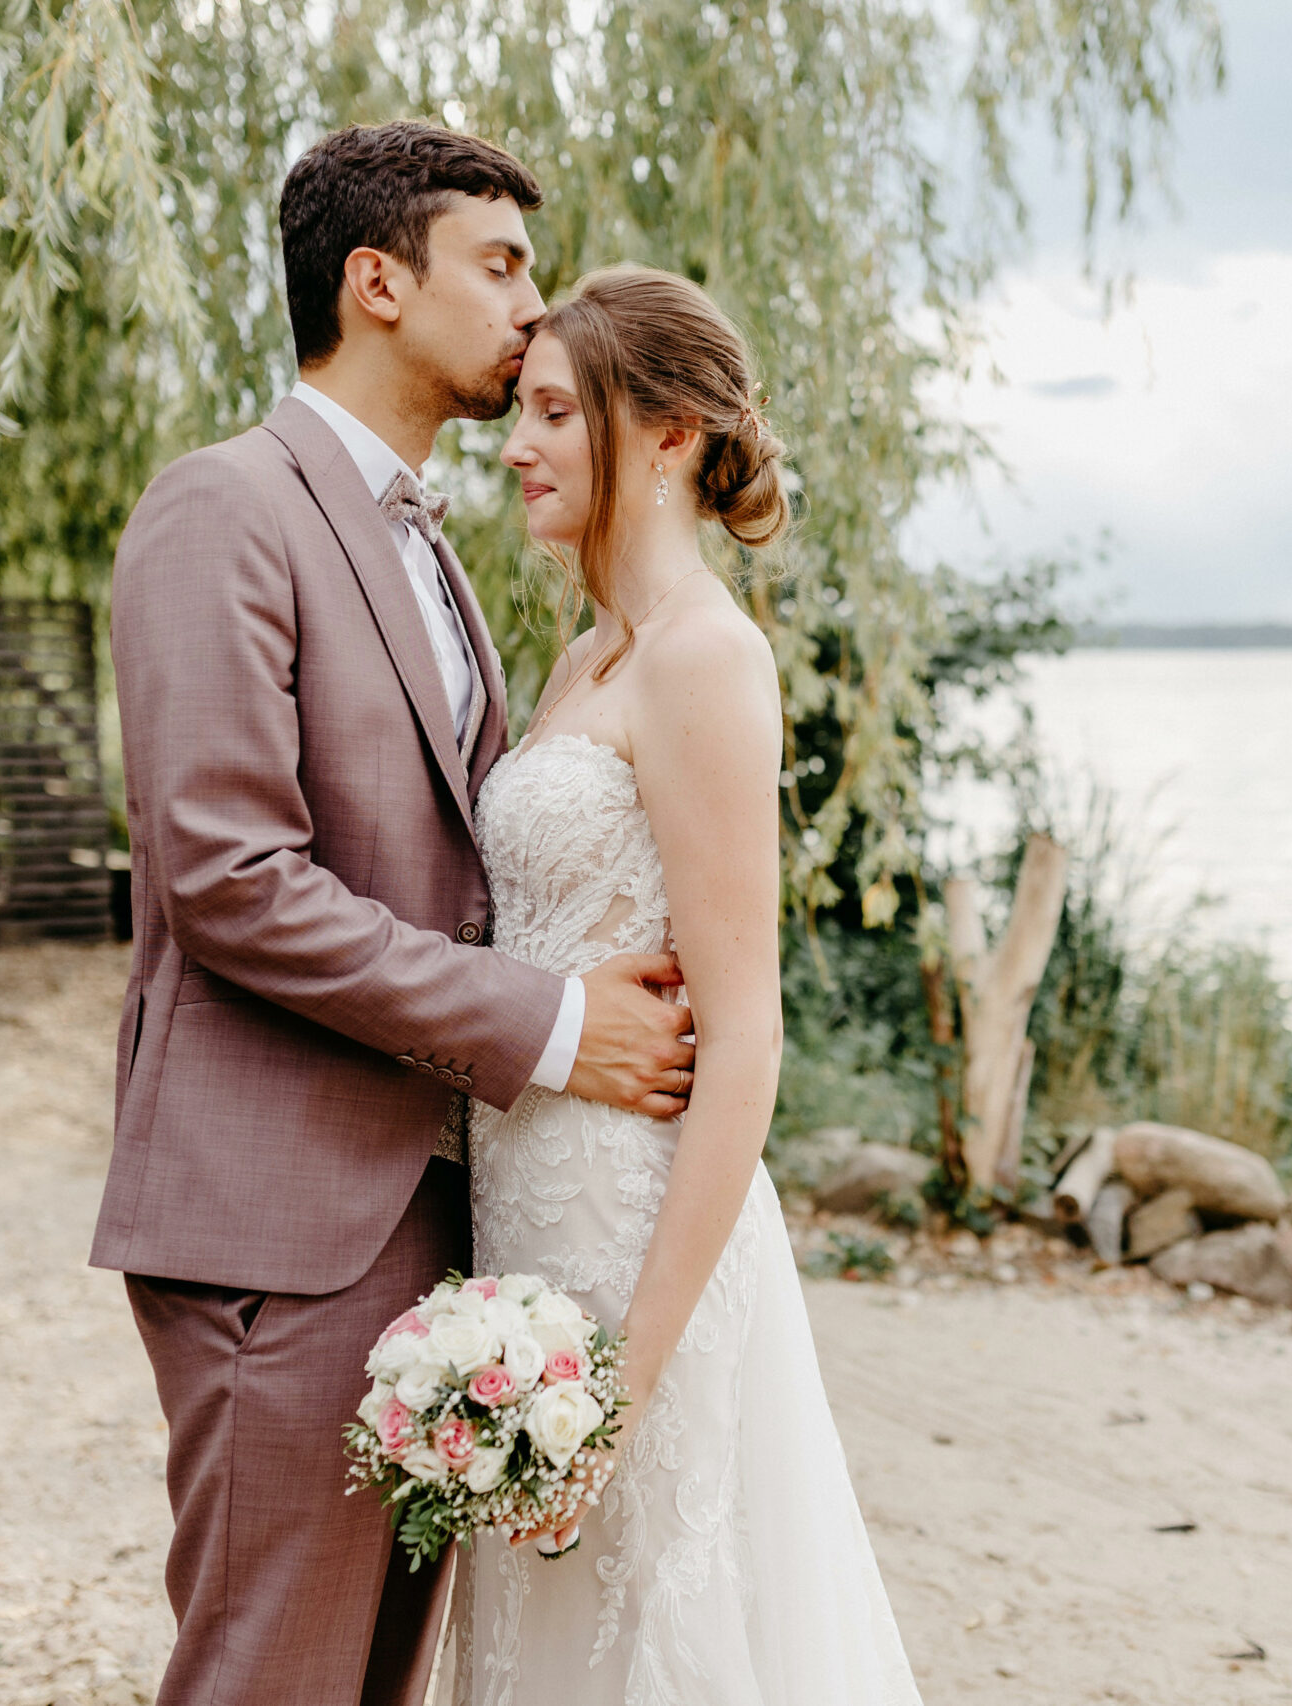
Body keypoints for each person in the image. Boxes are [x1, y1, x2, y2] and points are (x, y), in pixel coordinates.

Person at [95, 124, 697, 1706]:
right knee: (266, 1674)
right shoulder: (221, 508)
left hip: (433, 1219)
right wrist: (559, 1027)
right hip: (277, 1221)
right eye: (498, 266)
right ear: (376, 281)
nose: (531, 306)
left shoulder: (423, 544)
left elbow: (462, 862)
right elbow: (229, 879)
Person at [450, 265, 923, 1704]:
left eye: (548, 414)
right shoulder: (584, 656)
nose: (515, 445)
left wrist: (620, 1384)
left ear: (662, 436)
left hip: (642, 1238)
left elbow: (749, 1033)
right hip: (524, 1213)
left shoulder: (711, 660)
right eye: (517, 413)